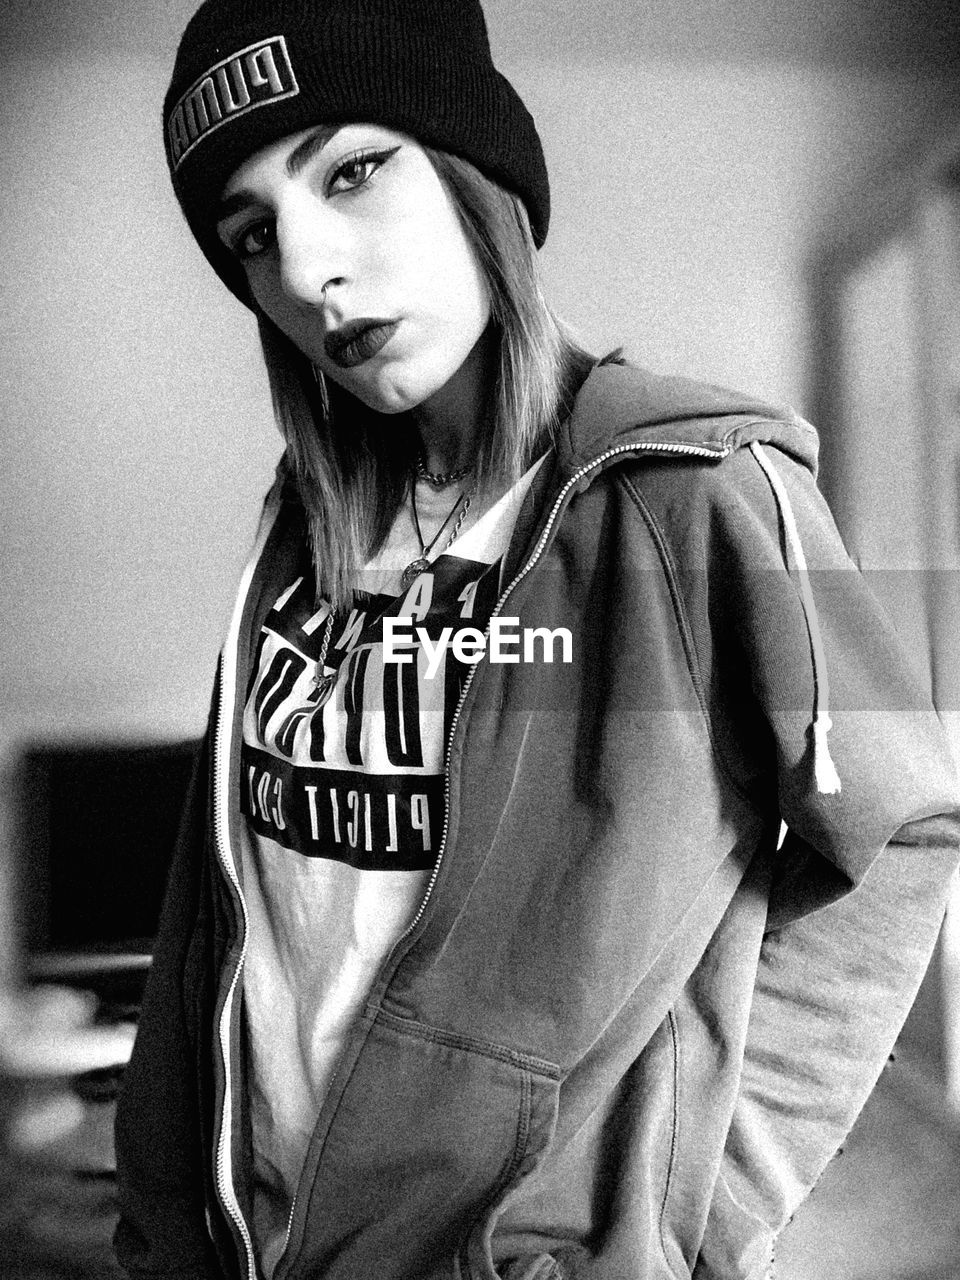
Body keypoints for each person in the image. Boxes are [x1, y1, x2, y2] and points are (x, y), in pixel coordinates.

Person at [114, 2, 960, 1278]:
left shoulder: (699, 488)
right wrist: (167, 1206)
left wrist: (697, 1202)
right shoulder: (305, 524)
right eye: (253, 236)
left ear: (475, 172)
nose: (308, 270)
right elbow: (230, 910)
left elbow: (904, 830)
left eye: (352, 170)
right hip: (262, 1238)